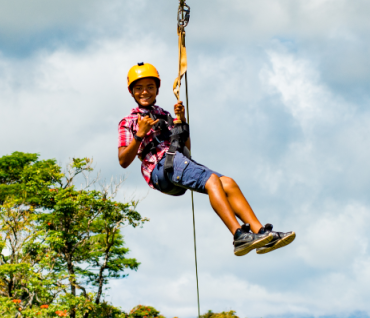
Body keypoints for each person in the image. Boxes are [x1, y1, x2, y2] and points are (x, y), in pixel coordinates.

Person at [118, 62, 296, 256]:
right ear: (132, 92)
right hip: (160, 169)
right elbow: (123, 161)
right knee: (211, 181)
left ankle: (261, 234)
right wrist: (139, 135)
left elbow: (186, 149)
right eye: (139, 88)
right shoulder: (129, 121)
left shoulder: (165, 115)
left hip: (176, 160)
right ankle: (238, 235)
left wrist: (182, 121)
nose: (145, 92)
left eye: (150, 87)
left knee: (227, 183)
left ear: (157, 90)